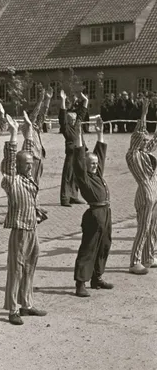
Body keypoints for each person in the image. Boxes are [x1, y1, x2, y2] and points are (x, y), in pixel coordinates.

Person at [1, 114, 48, 325]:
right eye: (26, 164)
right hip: (20, 230)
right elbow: (10, 161)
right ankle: (13, 309)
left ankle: (26, 304)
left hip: (32, 228)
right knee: (16, 269)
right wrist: (13, 134)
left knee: (30, 266)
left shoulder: (31, 179)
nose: (30, 166)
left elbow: (32, 154)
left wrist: (28, 132)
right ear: (18, 166)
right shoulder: (12, 181)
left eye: (30, 164)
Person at [72, 117, 112, 297]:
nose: (95, 165)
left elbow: (100, 154)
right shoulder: (84, 177)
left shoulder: (97, 174)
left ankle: (97, 277)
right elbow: (79, 159)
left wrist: (100, 133)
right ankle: (80, 283)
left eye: (96, 163)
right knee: (88, 248)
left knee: (104, 245)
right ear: (86, 166)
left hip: (106, 213)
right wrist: (78, 134)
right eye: (92, 164)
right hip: (94, 215)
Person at [126, 98, 157, 275]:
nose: (146, 141)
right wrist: (143, 115)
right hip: (145, 194)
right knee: (143, 228)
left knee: (153, 227)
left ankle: (149, 257)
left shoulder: (145, 153)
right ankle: (135, 261)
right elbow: (139, 134)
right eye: (143, 140)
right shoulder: (133, 155)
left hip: (154, 193)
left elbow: (154, 139)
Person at [58, 90, 88, 207]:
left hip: (81, 151)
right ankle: (65, 198)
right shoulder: (66, 128)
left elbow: (82, 112)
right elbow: (62, 117)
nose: (74, 120)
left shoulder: (77, 124)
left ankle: (74, 196)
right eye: (72, 119)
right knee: (67, 176)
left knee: (76, 175)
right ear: (69, 120)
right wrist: (62, 100)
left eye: (75, 119)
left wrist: (85, 100)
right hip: (71, 153)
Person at [24, 87, 52, 184]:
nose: (36, 120)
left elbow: (43, 114)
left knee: (37, 181)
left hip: (39, 157)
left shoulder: (36, 127)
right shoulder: (26, 127)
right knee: (31, 181)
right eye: (33, 118)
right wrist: (40, 100)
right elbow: (35, 114)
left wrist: (48, 100)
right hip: (32, 157)